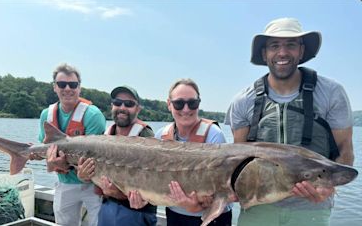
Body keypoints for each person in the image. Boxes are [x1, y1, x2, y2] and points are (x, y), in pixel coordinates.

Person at [225, 17, 354, 226]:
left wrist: (328, 188)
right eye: (274, 46)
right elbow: (238, 159)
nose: (282, 53)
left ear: (301, 51)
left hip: (311, 209)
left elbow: (345, 149)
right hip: (258, 209)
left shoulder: (332, 93)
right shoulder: (243, 100)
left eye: (290, 45)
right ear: (264, 53)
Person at [154, 78, 233, 226]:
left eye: (192, 103)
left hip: (212, 219)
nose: (186, 109)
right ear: (169, 104)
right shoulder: (160, 136)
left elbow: (223, 191)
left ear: (199, 104)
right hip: (175, 215)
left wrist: (194, 207)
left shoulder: (214, 135)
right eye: (178, 103)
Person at [77, 85, 157, 226]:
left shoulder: (146, 136)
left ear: (138, 109)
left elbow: (152, 184)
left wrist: (120, 194)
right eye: (117, 103)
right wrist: (83, 176)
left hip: (135, 212)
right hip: (107, 206)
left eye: (129, 104)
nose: (122, 107)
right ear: (112, 106)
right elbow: (94, 174)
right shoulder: (106, 134)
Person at [37, 63, 106, 226]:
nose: (67, 88)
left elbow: (97, 157)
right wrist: (50, 162)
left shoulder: (93, 115)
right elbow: (46, 150)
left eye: (73, 84)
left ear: (79, 88)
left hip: (93, 185)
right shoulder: (46, 115)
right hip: (64, 183)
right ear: (54, 87)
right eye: (62, 84)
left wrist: (64, 164)